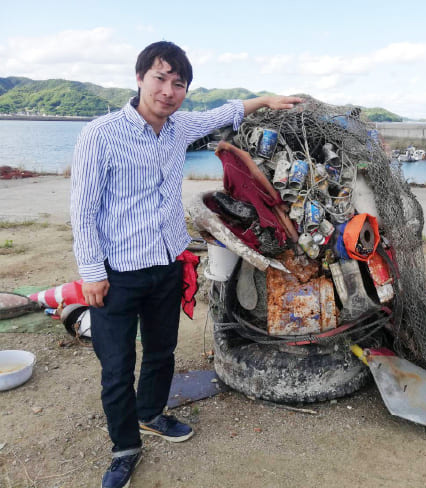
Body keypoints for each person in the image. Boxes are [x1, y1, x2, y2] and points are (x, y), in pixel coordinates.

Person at [70, 40, 301, 488]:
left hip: (167, 262)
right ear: (140, 78)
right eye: (160, 78)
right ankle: (124, 449)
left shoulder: (179, 127)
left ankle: (151, 413)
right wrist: (92, 273)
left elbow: (224, 112)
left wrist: (266, 100)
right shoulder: (101, 134)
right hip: (118, 272)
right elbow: (83, 210)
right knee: (117, 366)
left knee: (161, 351)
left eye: (179, 84)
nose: (168, 91)